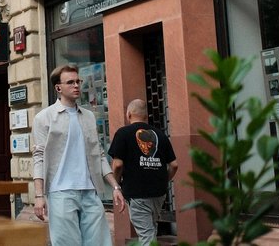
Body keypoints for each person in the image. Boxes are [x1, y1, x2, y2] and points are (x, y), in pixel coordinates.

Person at [32, 63, 125, 246]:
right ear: (58, 87)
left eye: (78, 81)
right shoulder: (44, 117)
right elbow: (39, 158)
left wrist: (115, 187)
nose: (76, 86)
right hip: (60, 192)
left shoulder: (88, 116)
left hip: (90, 191)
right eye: (70, 82)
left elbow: (98, 154)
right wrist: (39, 196)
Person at [108, 99, 178, 246]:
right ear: (146, 116)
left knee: (146, 235)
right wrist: (164, 181)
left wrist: (116, 185)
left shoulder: (123, 133)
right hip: (159, 193)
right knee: (150, 230)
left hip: (137, 193)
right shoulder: (160, 135)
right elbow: (174, 165)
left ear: (128, 114)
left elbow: (118, 164)